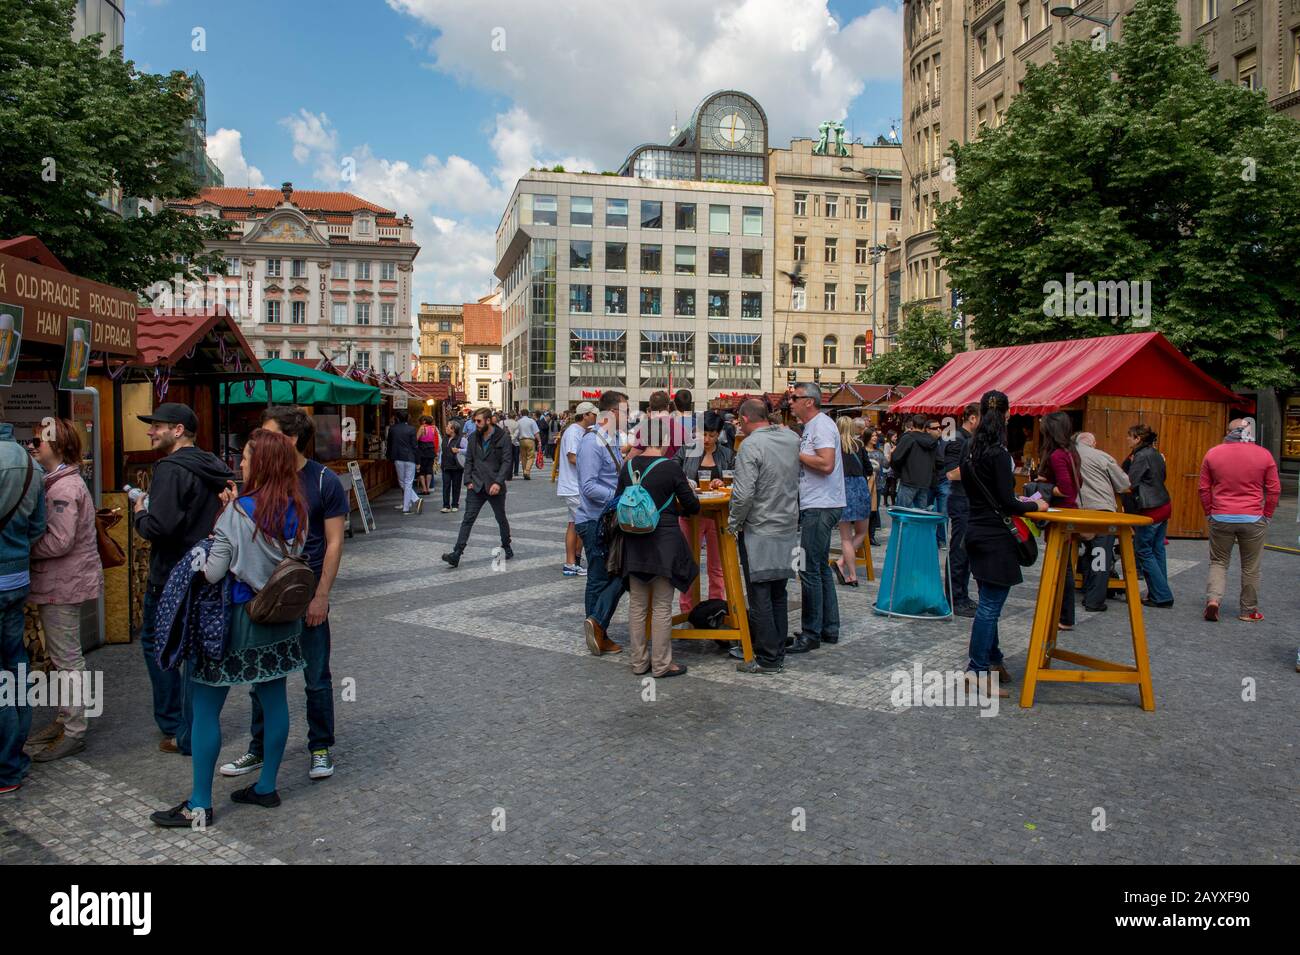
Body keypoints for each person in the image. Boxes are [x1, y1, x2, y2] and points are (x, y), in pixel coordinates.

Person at [150, 429, 307, 828]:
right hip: (279, 620)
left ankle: (200, 802)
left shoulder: (237, 513)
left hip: (235, 622)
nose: (240, 463)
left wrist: (207, 545)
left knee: (205, 708)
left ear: (262, 464)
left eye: (247, 458)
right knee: (275, 701)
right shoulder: (297, 508)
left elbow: (215, 570)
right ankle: (267, 786)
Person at [220, 407, 348, 782]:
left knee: (316, 677)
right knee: (262, 677)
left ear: (289, 439)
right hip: (263, 599)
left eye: (268, 433)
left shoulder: (324, 481)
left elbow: (335, 542)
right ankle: (258, 748)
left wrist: (321, 595)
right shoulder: (259, 478)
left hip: (304, 593)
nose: (260, 440)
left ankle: (320, 746)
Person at [133, 402, 233, 755]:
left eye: (157, 426)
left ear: (178, 430)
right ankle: (193, 727)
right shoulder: (213, 465)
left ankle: (176, 725)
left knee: (157, 646)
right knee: (193, 651)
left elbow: (161, 528)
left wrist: (140, 515)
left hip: (170, 575)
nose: (150, 431)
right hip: (204, 572)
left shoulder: (171, 469)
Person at [961, 391, 1048, 699]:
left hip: (975, 530)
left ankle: (993, 659)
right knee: (989, 606)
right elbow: (1007, 501)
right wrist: (1036, 507)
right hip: (996, 536)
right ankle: (977, 669)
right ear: (1007, 415)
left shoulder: (969, 449)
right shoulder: (997, 453)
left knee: (988, 600)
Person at [25, 419, 103, 762]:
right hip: (62, 580)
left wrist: (21, 546)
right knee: (62, 658)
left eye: (37, 441)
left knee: (67, 659)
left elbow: (59, 541)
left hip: (62, 582)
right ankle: (64, 719)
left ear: (56, 446)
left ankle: (74, 730)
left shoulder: (63, 489)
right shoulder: (59, 482)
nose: (31, 446)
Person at [616, 435, 699, 678]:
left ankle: (639, 662)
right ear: (663, 440)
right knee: (662, 606)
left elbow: (619, 498)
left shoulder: (629, 466)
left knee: (638, 606)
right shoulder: (671, 467)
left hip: (633, 539)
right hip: (664, 541)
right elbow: (692, 506)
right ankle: (662, 664)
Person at [729, 399, 800, 674]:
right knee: (778, 591)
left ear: (745, 419)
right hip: (786, 524)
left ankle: (768, 657)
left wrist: (734, 523)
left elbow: (744, 493)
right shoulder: (791, 439)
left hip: (759, 527)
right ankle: (777, 649)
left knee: (759, 593)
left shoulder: (750, 445)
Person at [0, 418, 46, 794]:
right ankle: (14, 755)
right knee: (15, 666)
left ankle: (6, 766)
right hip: (17, 577)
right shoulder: (31, 463)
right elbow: (37, 526)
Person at [1198, 418, 1280, 622]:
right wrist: (1267, 515)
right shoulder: (1264, 455)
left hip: (1221, 516)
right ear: (1249, 432)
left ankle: (1213, 600)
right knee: (1251, 567)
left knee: (1218, 562)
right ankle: (1248, 610)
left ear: (1228, 432)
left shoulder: (1213, 453)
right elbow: (1274, 490)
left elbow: (1203, 488)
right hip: (1253, 518)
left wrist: (1209, 512)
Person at [790, 382, 844, 654]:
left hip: (821, 505)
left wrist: (794, 452)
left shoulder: (820, 425)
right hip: (821, 503)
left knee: (808, 568)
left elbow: (826, 463)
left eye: (795, 398)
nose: (791, 402)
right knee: (820, 567)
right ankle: (829, 628)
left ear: (808, 401)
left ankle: (811, 633)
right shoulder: (813, 426)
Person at [576, 391, 629, 654]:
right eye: (625, 411)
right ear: (611, 413)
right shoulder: (591, 442)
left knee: (616, 573)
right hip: (594, 520)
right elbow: (588, 486)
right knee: (600, 577)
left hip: (606, 520)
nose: (629, 417)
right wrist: (619, 498)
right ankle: (597, 630)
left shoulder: (613, 439)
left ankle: (597, 627)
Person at [672, 411, 733, 614]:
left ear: (719, 435)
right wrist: (684, 483)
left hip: (717, 516)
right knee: (688, 564)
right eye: (703, 434)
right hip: (690, 515)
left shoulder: (726, 454)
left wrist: (721, 482)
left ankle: (715, 609)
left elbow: (735, 479)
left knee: (717, 567)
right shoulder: (687, 449)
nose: (706, 439)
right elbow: (672, 471)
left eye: (712, 435)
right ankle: (687, 610)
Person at [442, 408, 513, 568]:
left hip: (495, 485)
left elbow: (507, 462)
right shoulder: (473, 437)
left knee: (500, 518)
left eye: (479, 421)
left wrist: (498, 482)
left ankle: (506, 545)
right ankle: (457, 553)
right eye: (474, 421)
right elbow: (469, 460)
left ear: (488, 421)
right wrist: (467, 480)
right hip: (476, 485)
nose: (476, 424)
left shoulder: (502, 437)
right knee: (467, 519)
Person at [1074, 432, 1131, 613]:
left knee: (1086, 551)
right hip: (1101, 511)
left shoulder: (1068, 455)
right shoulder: (1101, 456)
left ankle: (1083, 588)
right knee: (1100, 555)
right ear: (1094, 443)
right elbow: (1123, 484)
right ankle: (1094, 600)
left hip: (1075, 512)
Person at [1036, 411, 1081, 630]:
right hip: (1068, 512)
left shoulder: (1056, 455)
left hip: (1060, 513)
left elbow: (1066, 488)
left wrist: (1044, 486)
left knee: (1062, 566)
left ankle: (1064, 615)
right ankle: (1061, 613)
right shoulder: (1071, 452)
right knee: (1064, 565)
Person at [1123, 424, 1174, 608]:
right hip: (1163, 503)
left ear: (1137, 438)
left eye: (1129, 436)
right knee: (1157, 549)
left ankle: (1162, 594)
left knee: (1143, 550)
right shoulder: (1155, 453)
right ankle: (1159, 591)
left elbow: (1130, 482)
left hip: (1150, 507)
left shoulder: (1141, 456)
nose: (1127, 439)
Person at [943, 405, 980, 617]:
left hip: (967, 499)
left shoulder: (967, 439)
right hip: (960, 499)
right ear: (972, 418)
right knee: (959, 549)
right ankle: (955, 597)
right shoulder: (957, 439)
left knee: (965, 550)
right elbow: (951, 473)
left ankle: (962, 595)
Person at [558, 403, 597, 576]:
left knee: (574, 524)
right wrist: (593, 464)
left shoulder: (580, 431)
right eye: (593, 414)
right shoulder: (574, 431)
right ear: (586, 415)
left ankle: (572, 561)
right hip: (573, 486)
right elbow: (572, 457)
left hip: (573, 486)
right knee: (585, 524)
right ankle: (575, 561)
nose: (596, 417)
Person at [833, 415, 871, 587]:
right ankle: (842, 564)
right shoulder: (859, 445)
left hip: (842, 489)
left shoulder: (834, 446)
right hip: (860, 487)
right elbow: (868, 469)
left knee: (845, 538)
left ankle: (851, 574)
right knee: (862, 532)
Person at [890, 415, 939, 509]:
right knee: (920, 516)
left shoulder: (908, 438)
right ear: (924, 426)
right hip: (925, 482)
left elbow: (896, 458)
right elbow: (937, 462)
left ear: (912, 425)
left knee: (903, 514)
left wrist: (900, 472)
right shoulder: (932, 441)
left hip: (909, 480)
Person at [387, 412, 420, 515]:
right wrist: (418, 460)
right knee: (408, 482)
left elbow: (389, 444)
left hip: (398, 457)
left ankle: (410, 504)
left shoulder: (392, 429)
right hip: (410, 457)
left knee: (402, 482)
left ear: (397, 418)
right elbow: (415, 446)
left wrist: (388, 456)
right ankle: (413, 502)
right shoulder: (412, 429)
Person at [865, 429, 887, 546]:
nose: (875, 438)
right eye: (872, 436)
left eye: (876, 436)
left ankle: (871, 535)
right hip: (864, 484)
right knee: (865, 511)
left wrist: (891, 454)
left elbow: (886, 464)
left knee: (874, 510)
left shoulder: (879, 452)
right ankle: (863, 535)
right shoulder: (862, 450)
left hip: (877, 484)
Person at [440, 420, 464, 512]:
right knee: (446, 486)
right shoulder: (445, 438)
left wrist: (459, 450)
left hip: (456, 467)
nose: (446, 428)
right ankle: (446, 505)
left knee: (456, 486)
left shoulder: (461, 439)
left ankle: (455, 504)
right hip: (446, 466)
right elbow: (443, 451)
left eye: (448, 426)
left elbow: (468, 450)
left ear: (453, 429)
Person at [415, 415, 439, 496]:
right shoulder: (434, 428)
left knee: (422, 470)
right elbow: (436, 439)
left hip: (422, 449)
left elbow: (416, 439)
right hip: (431, 449)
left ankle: (424, 489)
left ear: (424, 421)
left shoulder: (422, 428)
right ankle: (428, 488)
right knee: (429, 469)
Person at [516, 409, 540, 480]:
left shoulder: (518, 422)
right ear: (528, 414)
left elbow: (517, 433)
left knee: (523, 457)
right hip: (530, 440)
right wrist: (539, 441)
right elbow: (536, 432)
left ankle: (524, 472)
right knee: (531, 457)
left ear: (521, 414)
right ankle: (527, 471)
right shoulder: (532, 421)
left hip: (521, 440)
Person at [503, 412, 521, 479]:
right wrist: (511, 439)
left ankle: (505, 472)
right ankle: (514, 472)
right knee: (514, 458)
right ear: (514, 416)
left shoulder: (503, 422)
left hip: (504, 443)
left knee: (505, 458)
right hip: (514, 443)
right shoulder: (516, 423)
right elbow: (517, 434)